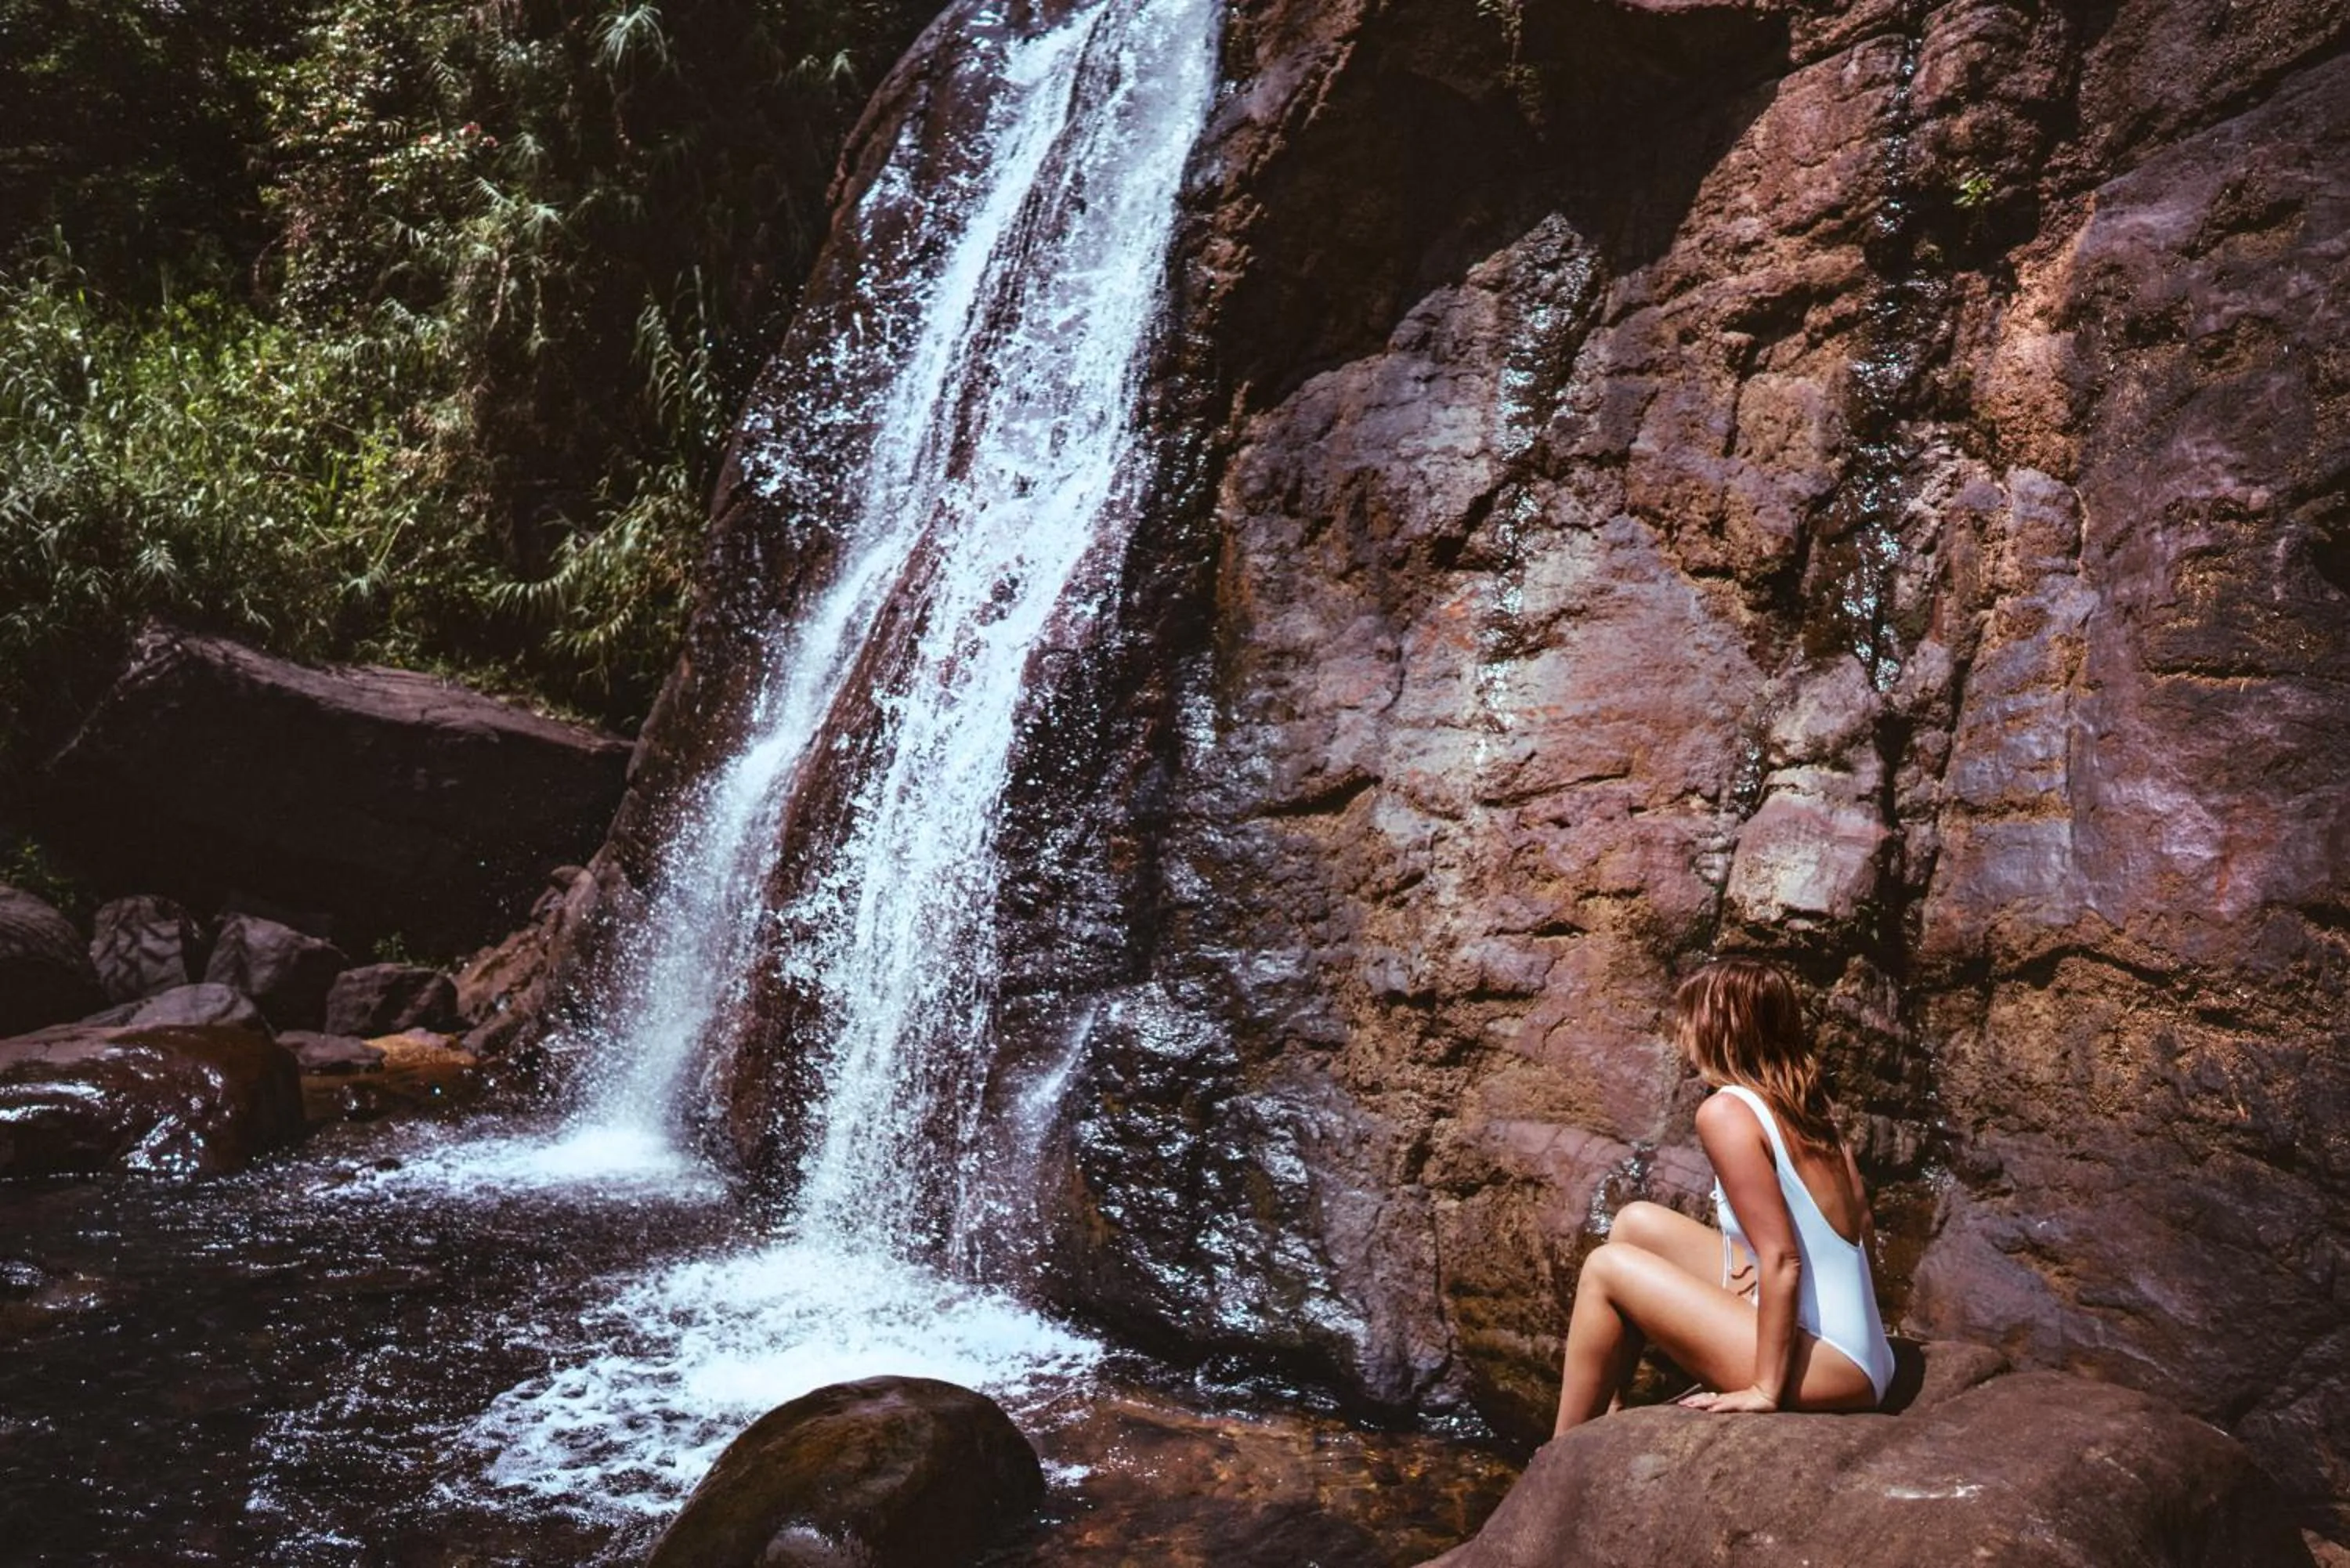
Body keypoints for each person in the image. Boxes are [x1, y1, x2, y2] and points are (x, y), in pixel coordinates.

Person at [1553, 957, 1896, 1435]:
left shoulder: (1726, 1112)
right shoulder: (1810, 1110)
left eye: (1689, 1019)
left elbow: (1783, 1259)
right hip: (1868, 1356)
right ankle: (1609, 1415)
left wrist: (1765, 1391)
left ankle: (1561, 1449)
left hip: (1829, 1368)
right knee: (1634, 1223)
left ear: (1718, 1028)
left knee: (1605, 1269)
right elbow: (1861, 1225)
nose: (1682, 1036)